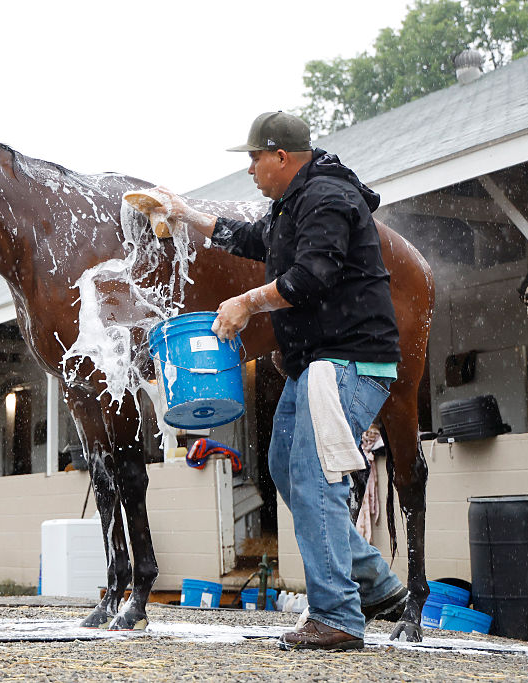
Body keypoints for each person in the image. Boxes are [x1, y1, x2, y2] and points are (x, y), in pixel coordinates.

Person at [146, 112, 407, 651]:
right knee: (285, 468)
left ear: (281, 157)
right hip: (315, 365)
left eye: (253, 158)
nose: (248, 169)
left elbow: (313, 276)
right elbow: (247, 239)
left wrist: (246, 302)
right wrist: (186, 213)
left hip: (348, 362)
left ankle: (337, 616)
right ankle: (375, 583)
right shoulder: (291, 207)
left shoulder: (328, 199)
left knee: (315, 477)